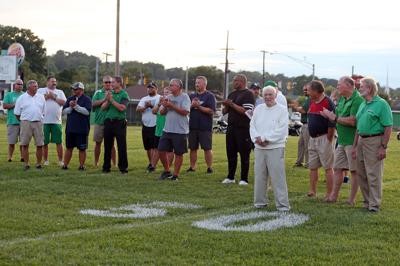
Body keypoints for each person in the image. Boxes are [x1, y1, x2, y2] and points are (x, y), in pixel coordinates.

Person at [352, 77, 392, 212]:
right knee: (361, 173)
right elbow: (358, 127)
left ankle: (374, 205)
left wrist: (383, 146)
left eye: (362, 86)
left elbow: (388, 126)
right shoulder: (363, 104)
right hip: (361, 141)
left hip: (374, 141)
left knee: (373, 173)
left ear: (369, 88)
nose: (359, 88)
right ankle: (367, 201)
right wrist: (354, 146)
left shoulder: (382, 104)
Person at [321, 76, 363, 205]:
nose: (337, 86)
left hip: (352, 141)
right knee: (338, 168)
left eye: (340, 84)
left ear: (349, 86)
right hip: (342, 140)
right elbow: (338, 116)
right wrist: (330, 115)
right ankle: (333, 196)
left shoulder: (357, 99)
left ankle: (351, 199)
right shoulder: (343, 99)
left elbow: (353, 121)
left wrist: (334, 118)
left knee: (354, 171)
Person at [250, 86, 290, 211]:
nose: (267, 97)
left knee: (278, 177)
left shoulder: (282, 110)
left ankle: (282, 205)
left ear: (275, 95)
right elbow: (252, 126)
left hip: (275, 147)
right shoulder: (258, 109)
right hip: (259, 147)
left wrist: (266, 138)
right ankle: (260, 202)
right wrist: (257, 138)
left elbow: (282, 130)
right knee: (260, 176)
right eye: (265, 95)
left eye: (270, 95)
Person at [221, 74, 255, 185]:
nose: (233, 82)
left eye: (235, 81)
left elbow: (246, 111)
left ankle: (244, 179)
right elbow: (224, 112)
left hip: (243, 128)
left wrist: (232, 104)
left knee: (244, 154)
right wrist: (226, 105)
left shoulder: (248, 94)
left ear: (242, 82)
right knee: (231, 153)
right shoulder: (232, 93)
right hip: (231, 127)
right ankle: (230, 177)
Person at [307, 80, 336, 199]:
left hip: (324, 138)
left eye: (309, 90)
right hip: (313, 138)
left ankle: (329, 193)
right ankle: (312, 190)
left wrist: (329, 138)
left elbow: (332, 120)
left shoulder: (328, 102)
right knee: (312, 167)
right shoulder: (312, 101)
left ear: (315, 91)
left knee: (328, 167)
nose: (307, 92)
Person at [157, 79, 191, 181]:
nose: (170, 86)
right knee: (161, 150)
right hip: (167, 129)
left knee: (178, 153)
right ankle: (167, 171)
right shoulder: (169, 97)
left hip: (180, 131)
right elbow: (162, 112)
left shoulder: (185, 97)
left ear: (179, 87)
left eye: (172, 85)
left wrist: (172, 105)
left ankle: (175, 175)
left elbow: (185, 112)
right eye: (170, 85)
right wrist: (165, 106)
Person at [14, 80, 46, 170]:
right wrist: (23, 121)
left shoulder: (41, 97)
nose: (36, 88)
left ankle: (38, 164)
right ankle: (26, 164)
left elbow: (43, 111)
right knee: (24, 144)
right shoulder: (21, 98)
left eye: (37, 86)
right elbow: (17, 113)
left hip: (38, 122)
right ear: (28, 87)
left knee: (40, 144)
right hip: (25, 122)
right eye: (34, 86)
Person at [187, 76, 216, 173]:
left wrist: (198, 106)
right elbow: (186, 110)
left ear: (204, 84)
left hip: (205, 127)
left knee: (207, 148)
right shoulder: (191, 96)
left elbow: (211, 111)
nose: (196, 84)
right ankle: (192, 167)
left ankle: (209, 167)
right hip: (192, 126)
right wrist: (192, 105)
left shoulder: (210, 96)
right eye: (196, 82)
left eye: (199, 82)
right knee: (192, 148)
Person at [101, 76, 130, 174]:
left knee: (121, 146)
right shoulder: (110, 93)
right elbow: (103, 108)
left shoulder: (124, 94)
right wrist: (108, 99)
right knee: (107, 146)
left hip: (119, 123)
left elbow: (122, 108)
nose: (111, 84)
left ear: (119, 83)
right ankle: (106, 167)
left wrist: (112, 100)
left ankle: (123, 168)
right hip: (108, 122)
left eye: (113, 82)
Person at [62, 82, 92, 170]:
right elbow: (64, 111)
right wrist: (71, 107)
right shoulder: (70, 99)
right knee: (69, 148)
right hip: (70, 129)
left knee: (82, 149)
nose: (73, 91)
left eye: (75, 89)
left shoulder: (87, 99)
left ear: (81, 90)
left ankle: (81, 166)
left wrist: (76, 106)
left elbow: (87, 112)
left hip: (82, 129)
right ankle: (65, 165)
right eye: (73, 89)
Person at [38, 76, 67, 166]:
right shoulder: (40, 90)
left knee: (59, 142)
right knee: (44, 142)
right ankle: (46, 160)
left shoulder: (60, 92)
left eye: (55, 81)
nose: (54, 83)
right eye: (52, 81)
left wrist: (54, 97)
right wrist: (47, 96)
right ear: (47, 82)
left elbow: (64, 103)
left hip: (56, 121)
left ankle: (61, 161)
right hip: (44, 121)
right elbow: (38, 101)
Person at [91, 75, 116, 167]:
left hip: (111, 123)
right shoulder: (98, 93)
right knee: (98, 143)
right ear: (103, 83)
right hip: (99, 122)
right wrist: (105, 99)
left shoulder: (115, 92)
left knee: (112, 144)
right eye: (106, 82)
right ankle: (96, 162)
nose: (108, 84)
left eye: (110, 82)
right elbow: (93, 104)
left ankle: (114, 164)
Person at [136, 81, 161, 172]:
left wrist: (151, 105)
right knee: (148, 147)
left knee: (155, 146)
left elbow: (160, 109)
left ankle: (153, 164)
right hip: (146, 125)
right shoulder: (144, 98)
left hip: (156, 124)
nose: (149, 89)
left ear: (156, 89)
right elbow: (138, 109)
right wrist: (146, 107)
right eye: (148, 87)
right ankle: (151, 163)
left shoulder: (160, 98)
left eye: (152, 87)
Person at [151, 87, 174, 170]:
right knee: (156, 149)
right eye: (164, 92)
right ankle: (152, 166)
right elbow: (153, 111)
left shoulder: (172, 102)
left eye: (167, 92)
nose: (165, 94)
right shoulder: (160, 101)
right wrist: (159, 104)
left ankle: (167, 168)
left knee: (169, 150)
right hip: (159, 129)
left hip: (168, 129)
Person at [3, 79, 24, 162]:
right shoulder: (9, 95)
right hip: (12, 121)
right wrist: (15, 105)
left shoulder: (25, 95)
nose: (20, 86)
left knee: (23, 142)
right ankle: (10, 157)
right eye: (18, 84)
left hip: (23, 121)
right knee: (11, 142)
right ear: (15, 85)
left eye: (21, 84)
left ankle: (23, 157)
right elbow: (4, 106)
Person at [293, 84, 310, 167]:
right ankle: (299, 161)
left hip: (308, 124)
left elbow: (303, 110)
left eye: (306, 89)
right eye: (304, 90)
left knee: (307, 145)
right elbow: (303, 108)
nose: (305, 91)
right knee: (301, 143)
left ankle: (308, 163)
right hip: (304, 124)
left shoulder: (310, 99)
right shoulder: (307, 99)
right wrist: (299, 108)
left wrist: (296, 107)